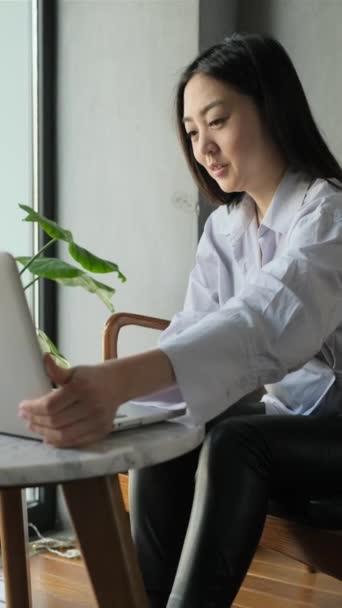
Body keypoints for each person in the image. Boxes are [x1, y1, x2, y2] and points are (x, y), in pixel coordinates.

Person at [19, 33, 342, 607]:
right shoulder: (226, 229)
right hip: (289, 423)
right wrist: (107, 400)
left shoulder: (329, 214)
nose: (203, 148)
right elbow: (193, 336)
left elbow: (264, 321)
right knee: (171, 435)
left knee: (235, 440)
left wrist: (121, 379)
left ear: (270, 108)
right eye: (192, 133)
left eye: (216, 122)